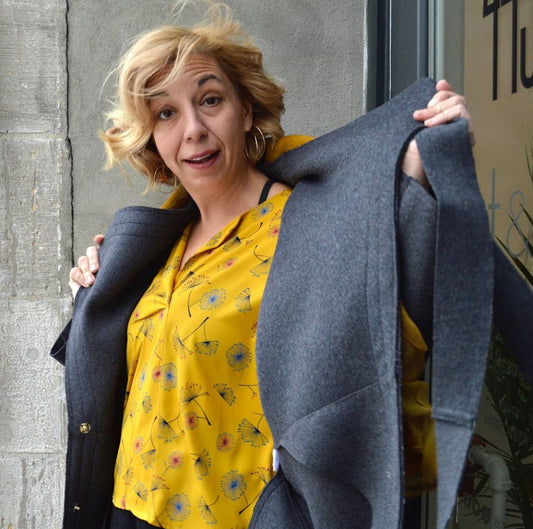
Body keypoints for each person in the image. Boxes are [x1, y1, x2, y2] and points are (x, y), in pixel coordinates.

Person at [53, 2, 530, 529]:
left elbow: (389, 330)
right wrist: (92, 290)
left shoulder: (311, 224)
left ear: (246, 108)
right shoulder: (159, 241)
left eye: (210, 100)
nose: (192, 128)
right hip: (130, 510)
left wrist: (426, 166)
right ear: (151, 136)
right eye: (165, 112)